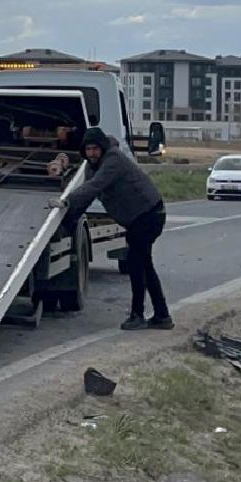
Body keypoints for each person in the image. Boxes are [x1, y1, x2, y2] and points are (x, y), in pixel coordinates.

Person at [60, 127, 171, 330]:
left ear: (102, 148)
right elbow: (87, 193)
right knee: (145, 265)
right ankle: (162, 316)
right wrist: (69, 220)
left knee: (137, 265)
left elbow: (95, 186)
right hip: (138, 218)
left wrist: (65, 202)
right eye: (88, 149)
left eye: (95, 149)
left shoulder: (113, 160)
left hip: (148, 215)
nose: (91, 153)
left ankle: (138, 315)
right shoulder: (92, 166)